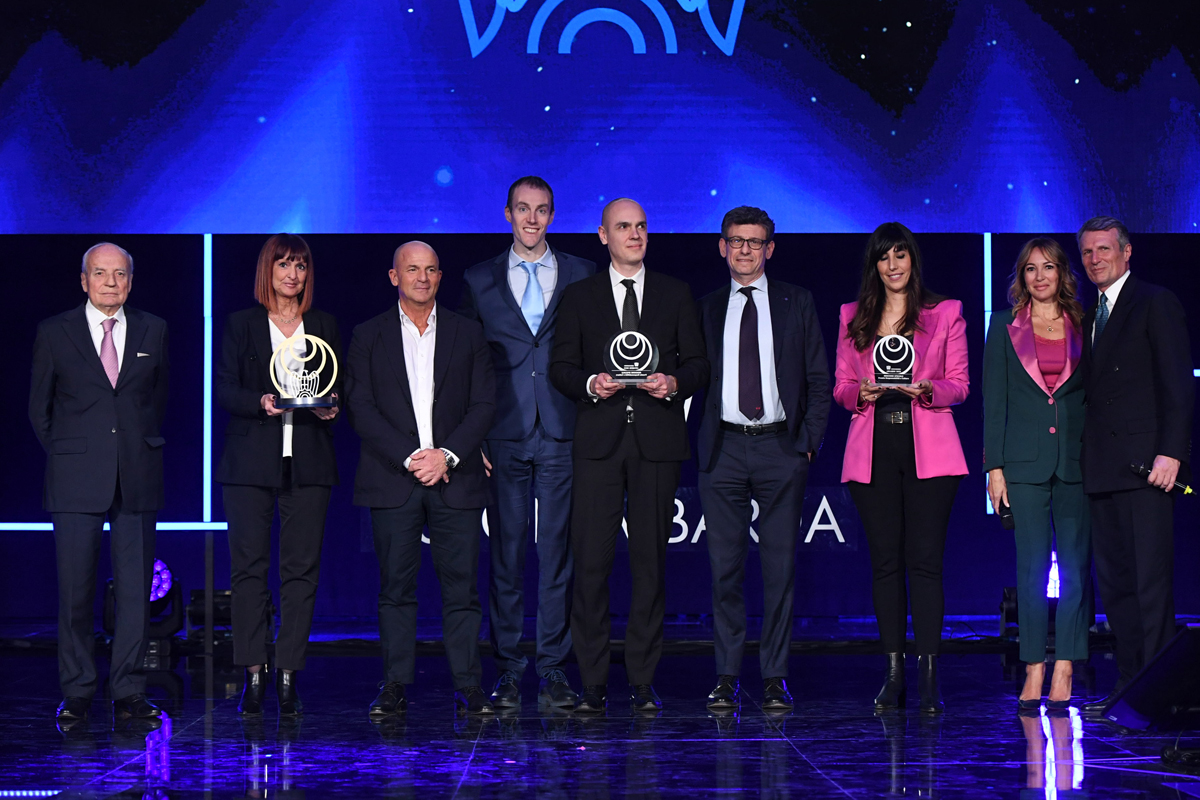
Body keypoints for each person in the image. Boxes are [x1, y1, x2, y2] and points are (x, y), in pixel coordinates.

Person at [548, 198, 709, 714]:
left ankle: (641, 680)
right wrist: (591, 384)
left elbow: (699, 364)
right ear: (603, 236)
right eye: (623, 227)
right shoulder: (580, 296)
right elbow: (560, 368)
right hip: (598, 445)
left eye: (641, 226)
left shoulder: (675, 293)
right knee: (591, 567)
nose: (634, 234)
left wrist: (674, 382)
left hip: (657, 445)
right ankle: (593, 681)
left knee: (650, 566)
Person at [459, 177, 595, 710]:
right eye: (523, 209)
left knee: (558, 556)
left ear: (552, 215)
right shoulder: (478, 279)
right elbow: (468, 363)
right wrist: (472, 436)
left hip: (564, 430)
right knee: (507, 557)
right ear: (508, 214)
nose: (532, 219)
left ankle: (554, 668)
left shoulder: (583, 272)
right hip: (503, 434)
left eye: (541, 210)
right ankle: (510, 670)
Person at [347, 241, 496, 717]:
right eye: (412, 269)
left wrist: (446, 456)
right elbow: (360, 407)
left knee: (462, 590)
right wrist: (412, 457)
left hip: (456, 477)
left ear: (439, 277)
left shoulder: (467, 332)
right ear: (395, 277)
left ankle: (469, 685)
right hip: (395, 477)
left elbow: (485, 403)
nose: (422, 278)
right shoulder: (368, 335)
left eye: (430, 269)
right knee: (395, 589)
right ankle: (394, 685)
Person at [696, 206, 830, 712]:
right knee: (724, 571)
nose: (745, 250)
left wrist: (807, 441)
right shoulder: (706, 306)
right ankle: (726, 676)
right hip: (724, 449)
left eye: (755, 242)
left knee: (779, 571)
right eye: (736, 240)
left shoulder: (798, 301)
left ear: (769, 248)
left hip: (780, 448)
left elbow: (818, 378)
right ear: (722, 247)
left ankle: (775, 677)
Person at [29, 242, 169, 724]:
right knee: (75, 591)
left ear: (130, 280)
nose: (111, 282)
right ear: (84, 280)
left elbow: (157, 400)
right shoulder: (54, 332)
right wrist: (72, 453)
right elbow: (40, 409)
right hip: (75, 477)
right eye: (100, 273)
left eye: (120, 274)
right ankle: (78, 690)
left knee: (135, 593)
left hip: (137, 474)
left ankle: (129, 689)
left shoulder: (154, 328)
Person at [833, 222, 968, 714]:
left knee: (926, 563)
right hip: (874, 448)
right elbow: (840, 386)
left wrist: (927, 388)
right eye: (884, 257)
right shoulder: (853, 316)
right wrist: (861, 392)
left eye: (900, 255)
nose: (893, 265)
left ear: (913, 259)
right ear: (874, 264)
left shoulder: (945, 312)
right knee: (885, 564)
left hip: (929, 447)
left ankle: (929, 676)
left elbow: (960, 384)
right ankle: (893, 676)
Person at [215, 234, 342, 716]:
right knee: (248, 571)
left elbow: (337, 386)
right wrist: (260, 401)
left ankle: (288, 672)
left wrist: (331, 407)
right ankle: (253, 671)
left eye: (301, 266)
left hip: (308, 461)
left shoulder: (323, 325)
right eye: (284, 264)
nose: (293, 274)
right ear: (267, 270)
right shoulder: (241, 324)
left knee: (301, 571)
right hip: (249, 463)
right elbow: (224, 388)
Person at [1075, 217, 1193, 716]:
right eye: (1087, 252)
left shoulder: (1154, 301)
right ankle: (1129, 687)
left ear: (1126, 253)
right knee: (1118, 587)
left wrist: (1173, 453)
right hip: (1102, 468)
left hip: (1148, 468)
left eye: (1104, 249)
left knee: (1150, 587)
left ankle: (1160, 697)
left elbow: (1177, 383)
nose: (1095, 259)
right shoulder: (1087, 316)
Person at [983, 237, 1089, 711]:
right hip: (1022, 465)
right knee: (1030, 571)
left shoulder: (1084, 323)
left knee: (1075, 569)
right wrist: (994, 467)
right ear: (1021, 277)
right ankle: (1033, 668)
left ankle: (1065, 666)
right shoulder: (1003, 325)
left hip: (1076, 461)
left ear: (1062, 273)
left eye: (1048, 267)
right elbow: (994, 402)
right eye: (1031, 268)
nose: (1040, 276)